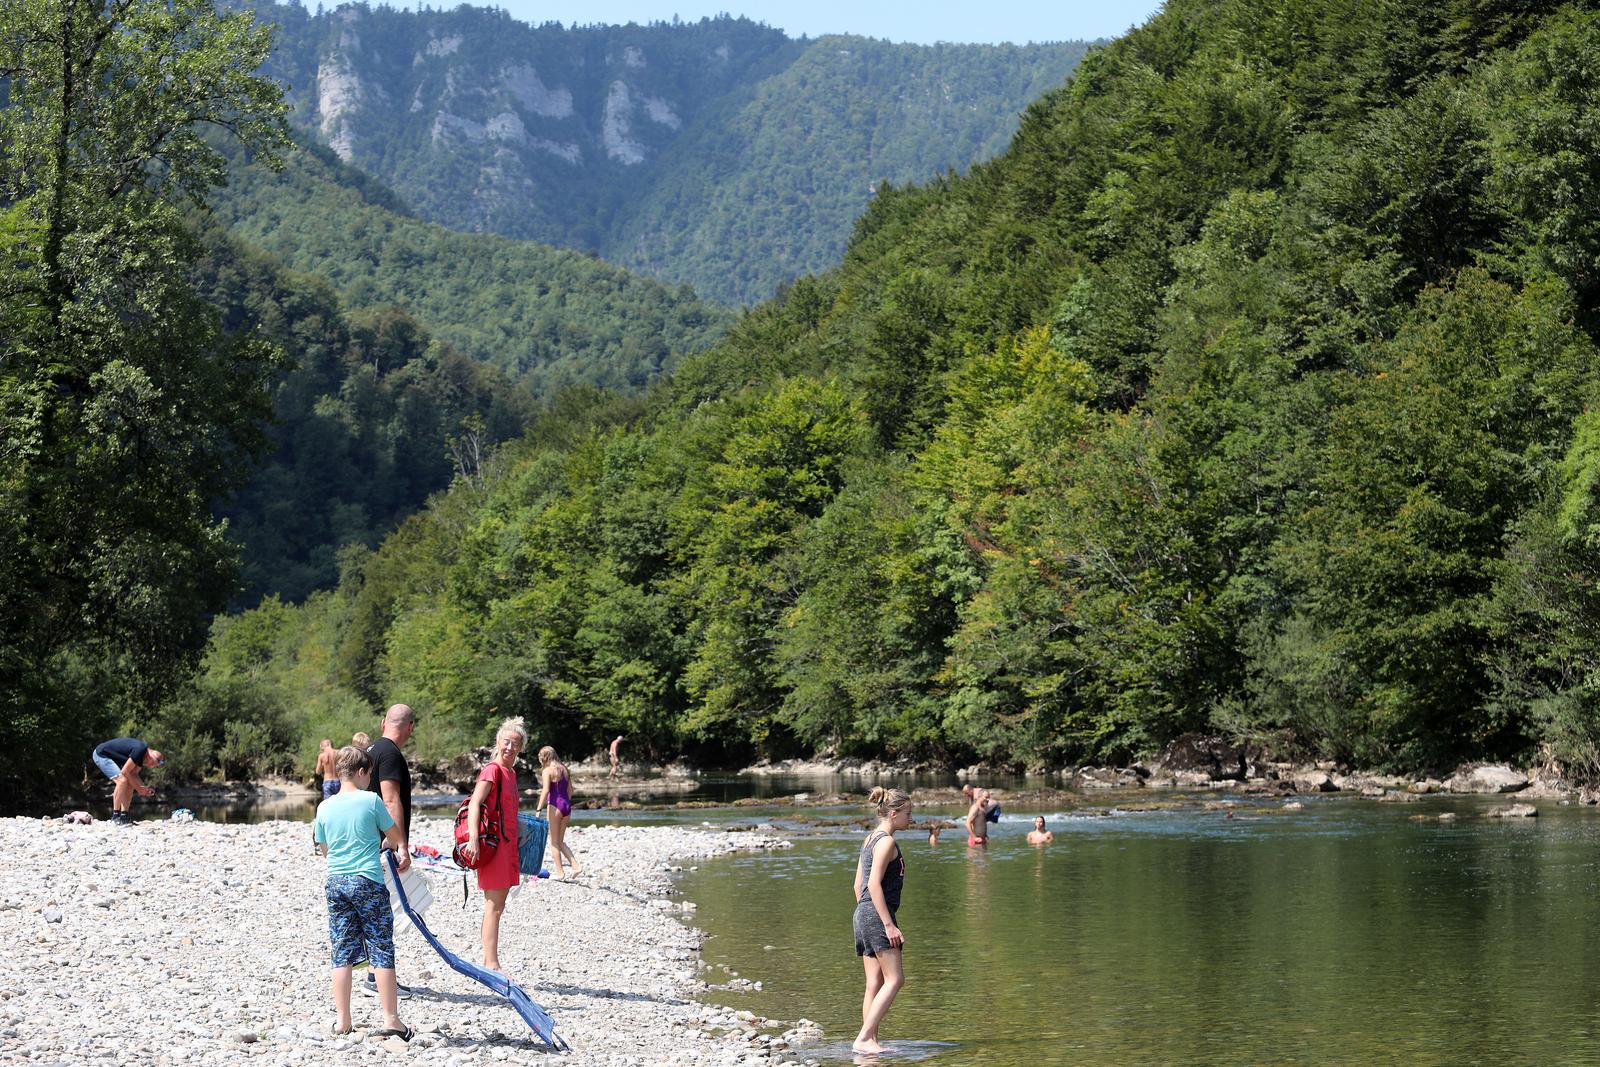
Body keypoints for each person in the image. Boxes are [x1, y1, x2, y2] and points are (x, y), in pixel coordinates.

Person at [314, 746, 412, 1040]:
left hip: (336, 881)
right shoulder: (371, 801)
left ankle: (343, 1021)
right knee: (380, 947)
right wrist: (388, 845)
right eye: (369, 773)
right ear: (360, 771)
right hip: (367, 880)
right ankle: (391, 1020)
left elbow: (324, 848)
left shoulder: (324, 806)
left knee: (341, 951)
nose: (370, 779)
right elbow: (394, 837)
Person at [461, 718, 525, 973]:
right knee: (494, 906)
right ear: (498, 742)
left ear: (521, 748)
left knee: (498, 905)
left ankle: (491, 960)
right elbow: (475, 803)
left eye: (515, 743)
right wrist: (473, 839)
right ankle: (491, 963)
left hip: (509, 846)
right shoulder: (493, 770)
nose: (510, 747)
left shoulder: (511, 773)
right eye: (506, 741)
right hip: (494, 845)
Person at [852, 786, 912, 1056]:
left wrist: (865, 915)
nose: (911, 818)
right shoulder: (886, 841)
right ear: (895, 812)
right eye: (908, 813)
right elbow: (873, 884)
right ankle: (864, 1038)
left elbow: (858, 885)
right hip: (878, 915)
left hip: (863, 913)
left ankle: (870, 1042)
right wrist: (887, 924)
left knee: (874, 983)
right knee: (895, 979)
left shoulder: (869, 839)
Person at [361, 704, 416, 997]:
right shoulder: (391, 754)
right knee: (384, 912)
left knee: (376, 910)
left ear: (383, 722)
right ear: (410, 727)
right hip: (382, 844)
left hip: (366, 841)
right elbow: (391, 800)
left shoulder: (371, 749)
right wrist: (401, 844)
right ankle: (375, 978)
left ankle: (374, 973)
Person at [91, 737, 163, 826]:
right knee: (122, 781)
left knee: (129, 782)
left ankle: (124, 816)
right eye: (151, 763)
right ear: (150, 756)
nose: (149, 766)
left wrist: (143, 788)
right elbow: (125, 771)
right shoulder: (139, 750)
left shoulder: (142, 756)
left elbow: (133, 774)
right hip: (101, 755)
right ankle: (115, 816)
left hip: (110, 757)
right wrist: (139, 789)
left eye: (153, 766)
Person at [536, 746, 582, 880]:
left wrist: (539, 809)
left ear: (544, 757)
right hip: (567, 806)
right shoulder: (564, 768)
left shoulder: (547, 771)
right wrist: (566, 803)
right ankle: (575, 866)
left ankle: (560, 873)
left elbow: (545, 791)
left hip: (555, 806)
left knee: (554, 842)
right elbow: (571, 790)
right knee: (560, 841)